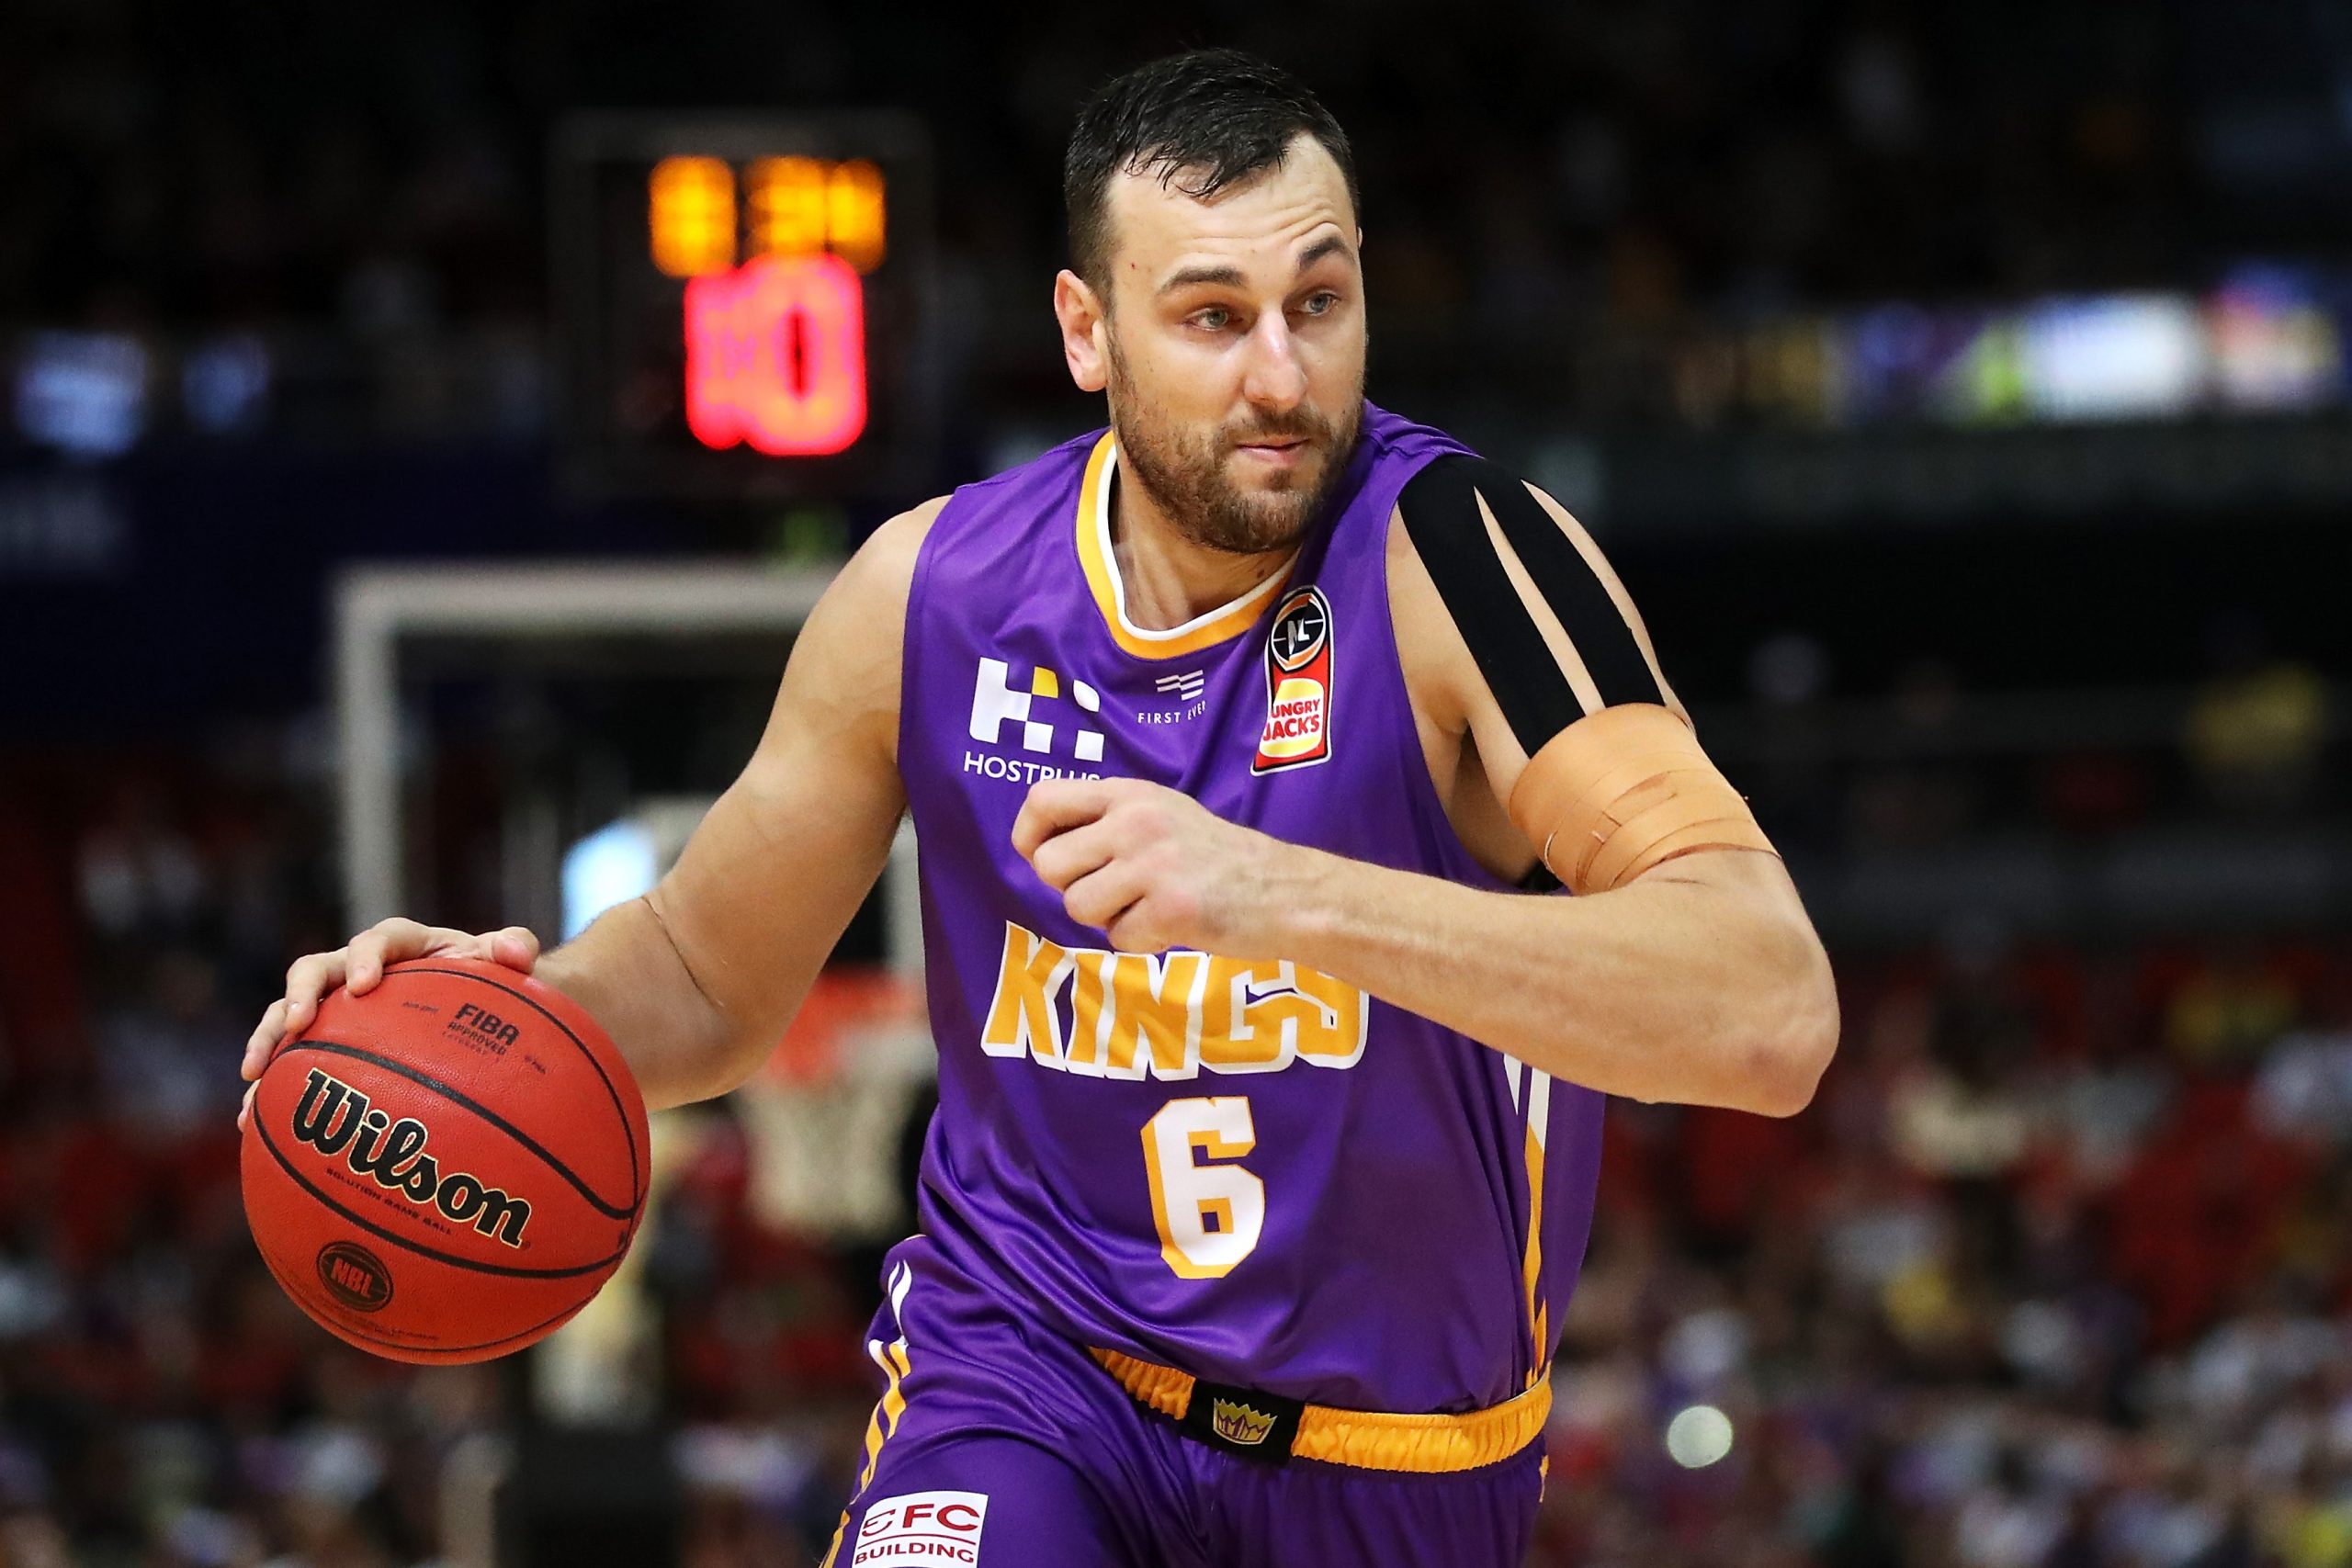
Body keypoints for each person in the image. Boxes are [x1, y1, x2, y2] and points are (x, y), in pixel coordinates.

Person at [243, 50, 1838, 1568]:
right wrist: (472, 1021)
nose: (1281, 376)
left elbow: (1764, 1007)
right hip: (1026, 1382)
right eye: (1212, 316)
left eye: (1321, 304)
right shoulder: (926, 590)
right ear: (1088, 332)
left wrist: (1282, 897)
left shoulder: (1467, 563)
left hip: (1400, 1455)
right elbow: (707, 977)